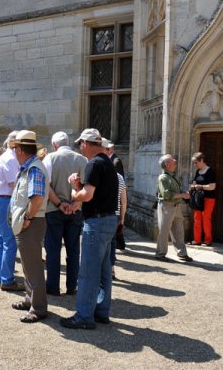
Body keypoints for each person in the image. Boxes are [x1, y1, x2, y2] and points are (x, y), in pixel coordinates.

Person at [60, 128, 118, 330]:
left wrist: (74, 191)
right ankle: (101, 312)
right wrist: (80, 185)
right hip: (109, 219)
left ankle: (84, 316)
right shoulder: (107, 162)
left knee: (87, 271)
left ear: (86, 143)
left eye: (80, 144)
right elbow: (95, 191)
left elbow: (87, 195)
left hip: (97, 221)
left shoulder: (94, 164)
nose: (79, 148)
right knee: (103, 269)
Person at [9, 130, 49, 323]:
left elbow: (38, 198)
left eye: (15, 148)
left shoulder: (33, 169)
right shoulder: (30, 167)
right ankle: (29, 299)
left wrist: (27, 218)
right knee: (27, 265)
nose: (14, 152)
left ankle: (38, 308)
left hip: (32, 223)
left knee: (33, 267)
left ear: (20, 150)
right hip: (29, 222)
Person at [42, 131, 87, 296]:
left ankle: (53, 286)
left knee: (53, 249)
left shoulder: (50, 158)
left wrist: (60, 204)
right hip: (76, 210)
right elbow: (87, 187)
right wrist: (76, 204)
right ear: (68, 142)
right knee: (73, 250)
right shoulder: (82, 159)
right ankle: (72, 286)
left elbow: (46, 185)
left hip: (54, 209)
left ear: (54, 145)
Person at [0, 131, 24, 291]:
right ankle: (6, 279)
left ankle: (0, 276)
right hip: (5, 200)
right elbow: (14, 185)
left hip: (1, 199)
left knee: (3, 240)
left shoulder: (7, 157)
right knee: (9, 241)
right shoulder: (11, 159)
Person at [155, 154, 193, 263]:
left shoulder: (172, 176)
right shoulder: (163, 177)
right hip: (167, 206)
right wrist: (182, 195)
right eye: (172, 160)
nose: (175, 161)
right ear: (167, 164)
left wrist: (183, 193)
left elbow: (175, 192)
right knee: (164, 231)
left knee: (179, 230)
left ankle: (182, 253)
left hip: (175, 206)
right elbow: (166, 195)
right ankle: (160, 254)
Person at [103, 138, 126, 250]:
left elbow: (119, 183)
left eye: (107, 148)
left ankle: (120, 243)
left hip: (114, 202)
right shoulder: (110, 160)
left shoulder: (116, 161)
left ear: (110, 149)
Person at [190, 152, 216, 246]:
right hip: (198, 198)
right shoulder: (198, 171)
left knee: (206, 219)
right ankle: (197, 240)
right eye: (194, 163)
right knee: (197, 219)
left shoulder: (210, 171)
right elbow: (194, 182)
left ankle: (208, 240)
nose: (194, 165)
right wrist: (193, 186)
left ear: (201, 160)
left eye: (196, 162)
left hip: (208, 198)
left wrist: (200, 186)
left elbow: (212, 187)